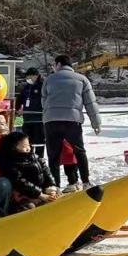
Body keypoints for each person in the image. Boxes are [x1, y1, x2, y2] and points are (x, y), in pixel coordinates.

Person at [42, 55, 102, 188]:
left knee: (53, 155)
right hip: (72, 121)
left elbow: (44, 101)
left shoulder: (49, 79)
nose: (53, 67)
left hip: (52, 121)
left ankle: (55, 185)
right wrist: (96, 123)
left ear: (58, 64)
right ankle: (86, 182)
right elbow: (90, 103)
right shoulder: (82, 79)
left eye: (54, 65)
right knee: (79, 151)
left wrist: (48, 115)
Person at [0, 130, 59, 211]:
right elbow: (20, 181)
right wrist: (39, 194)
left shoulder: (34, 156)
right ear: (14, 147)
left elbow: (46, 171)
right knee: (29, 207)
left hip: (40, 190)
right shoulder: (10, 161)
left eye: (28, 145)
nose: (28, 148)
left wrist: (51, 186)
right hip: (23, 195)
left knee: (57, 195)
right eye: (24, 146)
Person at [16, 68, 45, 161]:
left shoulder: (43, 86)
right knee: (27, 141)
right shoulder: (27, 87)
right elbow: (20, 98)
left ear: (35, 76)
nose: (28, 78)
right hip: (27, 118)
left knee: (39, 142)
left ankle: (40, 160)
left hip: (39, 119)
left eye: (29, 76)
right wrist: (17, 109)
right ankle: (28, 159)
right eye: (27, 77)